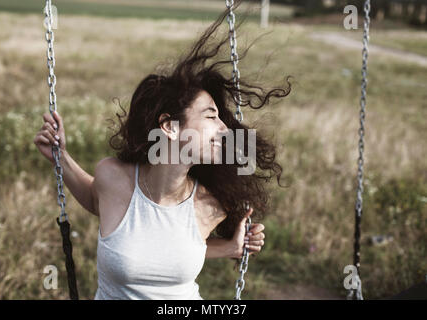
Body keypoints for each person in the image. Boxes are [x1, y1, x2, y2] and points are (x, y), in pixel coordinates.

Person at [34, 4, 290, 300]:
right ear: (170, 127)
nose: (224, 129)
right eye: (210, 116)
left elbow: (174, 248)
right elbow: (98, 200)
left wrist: (233, 248)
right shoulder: (113, 179)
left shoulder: (210, 204)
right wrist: (61, 158)